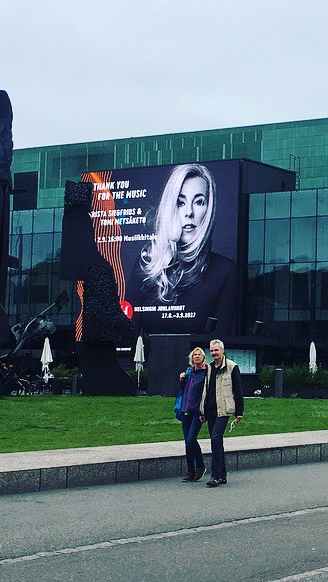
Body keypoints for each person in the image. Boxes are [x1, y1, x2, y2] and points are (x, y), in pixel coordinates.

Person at [125, 163, 235, 335]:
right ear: (170, 207)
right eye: (180, 202)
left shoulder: (225, 271)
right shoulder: (147, 263)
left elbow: (221, 343)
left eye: (199, 202)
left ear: (209, 208)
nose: (189, 212)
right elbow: (126, 335)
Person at [198, 340, 244, 487]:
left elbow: (238, 390)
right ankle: (223, 476)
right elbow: (205, 390)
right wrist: (202, 410)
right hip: (210, 410)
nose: (214, 353)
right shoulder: (209, 368)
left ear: (222, 351)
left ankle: (215, 476)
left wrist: (239, 411)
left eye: (216, 350)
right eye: (212, 351)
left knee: (216, 438)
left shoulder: (231, 367)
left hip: (223, 410)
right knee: (217, 441)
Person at [176, 347, 208, 482]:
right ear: (191, 358)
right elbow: (182, 390)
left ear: (203, 357)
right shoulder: (189, 372)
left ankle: (200, 466)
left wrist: (204, 411)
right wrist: (181, 380)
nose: (197, 356)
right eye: (195, 355)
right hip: (186, 409)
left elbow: (207, 393)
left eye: (199, 354)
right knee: (188, 442)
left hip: (197, 411)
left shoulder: (206, 373)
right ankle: (190, 471)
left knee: (191, 439)